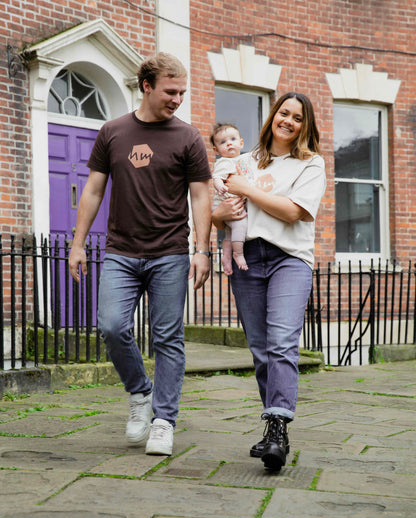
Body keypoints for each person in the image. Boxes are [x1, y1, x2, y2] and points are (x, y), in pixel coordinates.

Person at [69, 52, 212, 457]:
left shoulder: (188, 137)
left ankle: (164, 420)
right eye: (170, 91)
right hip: (121, 251)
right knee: (112, 326)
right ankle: (139, 394)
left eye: (182, 91)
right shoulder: (113, 131)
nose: (177, 99)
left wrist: (202, 250)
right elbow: (93, 189)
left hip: (170, 251)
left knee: (168, 337)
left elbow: (201, 195)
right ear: (146, 86)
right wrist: (78, 244)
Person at [212, 92, 326, 470]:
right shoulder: (242, 161)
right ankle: (276, 425)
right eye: (284, 113)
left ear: (304, 125)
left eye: (297, 117)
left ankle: (276, 428)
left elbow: (294, 212)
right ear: (272, 116)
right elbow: (219, 210)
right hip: (249, 260)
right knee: (261, 349)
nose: (288, 121)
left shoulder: (310, 165)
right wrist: (218, 214)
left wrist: (247, 190)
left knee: (281, 343)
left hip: (289, 260)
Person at [210, 123, 253, 275]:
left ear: (241, 143)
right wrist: (219, 185)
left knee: (229, 234)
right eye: (223, 142)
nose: (228, 143)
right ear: (216, 150)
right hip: (226, 204)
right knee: (240, 225)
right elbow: (216, 177)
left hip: (232, 204)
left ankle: (226, 258)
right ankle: (238, 254)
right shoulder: (225, 162)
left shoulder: (244, 160)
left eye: (233, 139)